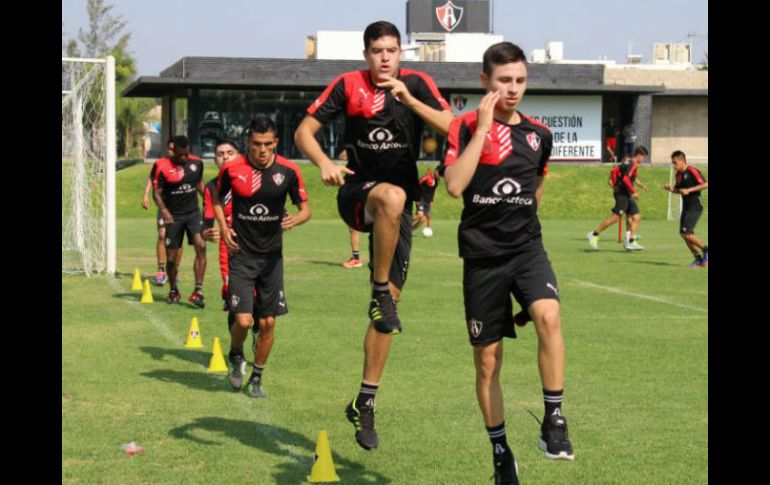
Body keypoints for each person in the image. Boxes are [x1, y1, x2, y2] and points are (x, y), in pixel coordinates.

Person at [294, 20, 453, 451]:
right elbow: (302, 132)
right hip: (358, 193)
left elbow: (452, 127)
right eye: (377, 51)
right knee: (391, 196)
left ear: (402, 54)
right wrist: (324, 162)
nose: (385, 58)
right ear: (366, 55)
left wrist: (410, 102)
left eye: (392, 51)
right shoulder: (348, 85)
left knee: (387, 317)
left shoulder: (417, 84)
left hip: (396, 208)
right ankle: (378, 288)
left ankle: (364, 401)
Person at [442, 41, 574, 485]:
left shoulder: (540, 134)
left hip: (526, 249)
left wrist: (523, 222)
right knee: (487, 362)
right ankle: (500, 451)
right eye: (503, 81)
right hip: (482, 258)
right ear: (485, 82)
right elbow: (454, 187)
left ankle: (554, 420)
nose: (513, 89)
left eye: (519, 80)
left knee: (549, 316)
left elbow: (535, 185)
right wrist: (481, 129)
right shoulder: (463, 127)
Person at [215, 116, 311, 399]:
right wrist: (223, 227)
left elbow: (306, 209)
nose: (262, 150)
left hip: (272, 259)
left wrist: (297, 219)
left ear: (276, 143)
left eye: (268, 144)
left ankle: (256, 377)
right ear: (248, 143)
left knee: (268, 323)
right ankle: (236, 354)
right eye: (256, 144)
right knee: (244, 321)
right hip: (241, 255)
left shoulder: (289, 171)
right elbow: (216, 198)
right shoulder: (233, 168)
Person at [152, 135, 208, 307]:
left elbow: (200, 185)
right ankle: (173, 289)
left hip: (193, 214)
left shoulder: (197, 164)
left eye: (186, 154)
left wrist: (208, 204)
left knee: (201, 246)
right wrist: (165, 211)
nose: (183, 158)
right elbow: (157, 193)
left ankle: (198, 291)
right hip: (173, 216)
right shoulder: (161, 167)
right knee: (171, 258)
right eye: (179, 154)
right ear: (173, 151)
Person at [201, 139, 240, 312]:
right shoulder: (211, 187)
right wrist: (206, 233)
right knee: (232, 292)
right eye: (220, 154)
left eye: (230, 153)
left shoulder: (253, 178)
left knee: (257, 293)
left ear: (239, 156)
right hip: (228, 242)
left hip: (255, 241)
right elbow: (207, 222)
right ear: (215, 160)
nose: (225, 157)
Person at [587, 146, 649, 251]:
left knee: (635, 217)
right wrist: (634, 192)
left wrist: (641, 186)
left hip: (626, 194)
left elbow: (629, 177)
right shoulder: (632, 163)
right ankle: (594, 234)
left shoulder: (628, 162)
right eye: (644, 157)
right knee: (614, 218)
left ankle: (630, 241)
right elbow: (625, 179)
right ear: (639, 155)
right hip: (622, 194)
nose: (644, 160)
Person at [141, 139, 186, 285]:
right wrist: (146, 195)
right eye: (170, 149)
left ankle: (175, 270)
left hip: (181, 207)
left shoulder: (187, 164)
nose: (172, 152)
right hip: (164, 206)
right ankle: (161, 270)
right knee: (162, 235)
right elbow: (151, 178)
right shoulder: (160, 164)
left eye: (175, 149)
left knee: (178, 240)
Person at [663, 150, 708, 267]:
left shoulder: (692, 170)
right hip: (686, 207)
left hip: (695, 206)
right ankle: (698, 258)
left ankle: (706, 250)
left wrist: (689, 190)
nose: (673, 165)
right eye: (672, 163)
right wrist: (670, 189)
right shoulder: (678, 175)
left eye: (675, 163)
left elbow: (705, 184)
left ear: (682, 161)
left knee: (686, 233)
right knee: (683, 234)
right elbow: (679, 190)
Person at [413, 165, 440, 237]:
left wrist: (431, 201)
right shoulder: (427, 177)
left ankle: (409, 231)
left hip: (427, 201)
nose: (440, 176)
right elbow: (417, 185)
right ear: (435, 171)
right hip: (421, 199)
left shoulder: (437, 181)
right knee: (419, 215)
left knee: (423, 219)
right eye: (439, 174)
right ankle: (401, 222)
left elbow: (432, 191)